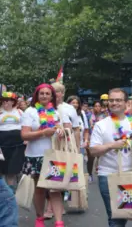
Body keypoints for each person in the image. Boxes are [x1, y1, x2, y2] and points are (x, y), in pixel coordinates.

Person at [89, 88, 132, 227]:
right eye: (112, 100)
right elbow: (93, 150)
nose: (114, 103)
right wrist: (112, 145)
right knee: (115, 216)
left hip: (130, 175)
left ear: (126, 103)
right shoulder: (100, 125)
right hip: (107, 175)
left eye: (118, 100)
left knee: (123, 215)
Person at [21, 83, 69, 227]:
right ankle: (39, 218)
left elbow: (67, 131)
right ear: (37, 95)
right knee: (40, 189)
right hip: (35, 155)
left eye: (47, 94)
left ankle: (59, 222)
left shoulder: (58, 112)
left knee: (55, 189)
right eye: (41, 93)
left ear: (52, 96)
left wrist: (62, 132)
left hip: (54, 156)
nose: (44, 96)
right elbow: (24, 135)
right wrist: (43, 133)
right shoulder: (30, 111)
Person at [0, 92, 25, 192]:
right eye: (3, 100)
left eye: (8, 100)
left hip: (17, 144)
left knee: (12, 170)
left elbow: (25, 126)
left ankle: (11, 192)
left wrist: (26, 140)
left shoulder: (19, 112)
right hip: (2, 144)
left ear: (13, 101)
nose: (5, 102)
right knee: (1, 169)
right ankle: (3, 193)